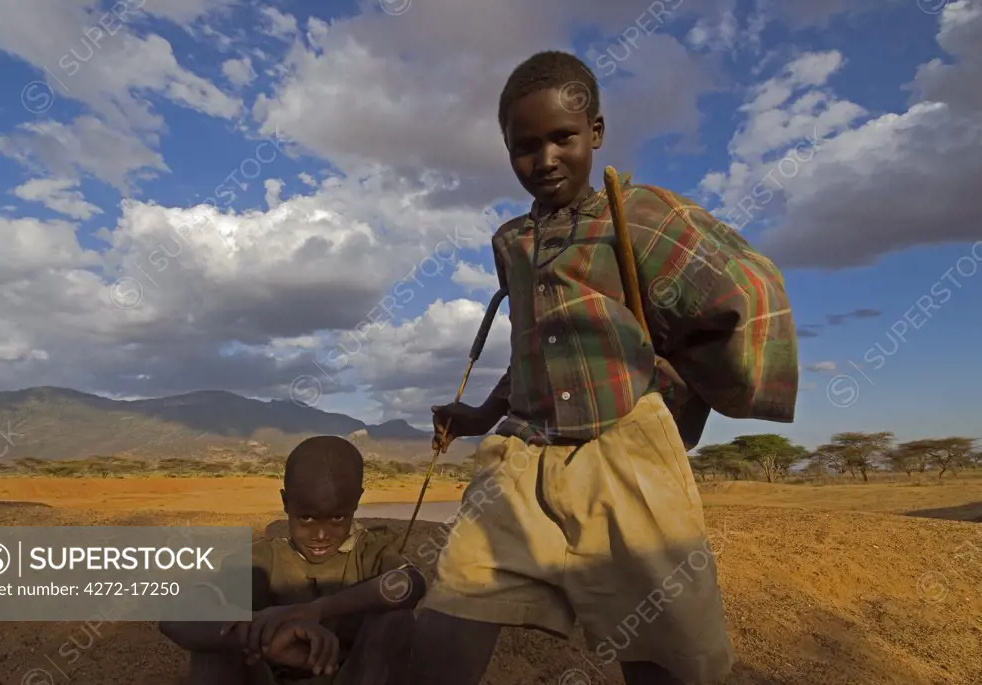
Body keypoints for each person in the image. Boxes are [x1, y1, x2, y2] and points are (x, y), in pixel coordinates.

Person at [409, 51, 799, 685]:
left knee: (664, 656)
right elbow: (534, 342)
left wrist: (676, 387)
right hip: (524, 458)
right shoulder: (513, 242)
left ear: (595, 132)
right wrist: (484, 413)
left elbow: (746, 290)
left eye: (562, 137)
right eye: (524, 146)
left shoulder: (638, 216)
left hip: (625, 457)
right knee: (447, 618)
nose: (545, 159)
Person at [159, 435, 425, 685]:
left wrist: (316, 609)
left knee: (397, 620)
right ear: (286, 502)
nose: (321, 535)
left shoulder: (369, 553)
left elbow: (412, 582)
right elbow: (175, 616)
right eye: (306, 518)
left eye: (337, 518)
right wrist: (261, 634)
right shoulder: (263, 560)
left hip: (353, 677)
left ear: (357, 501)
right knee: (214, 641)